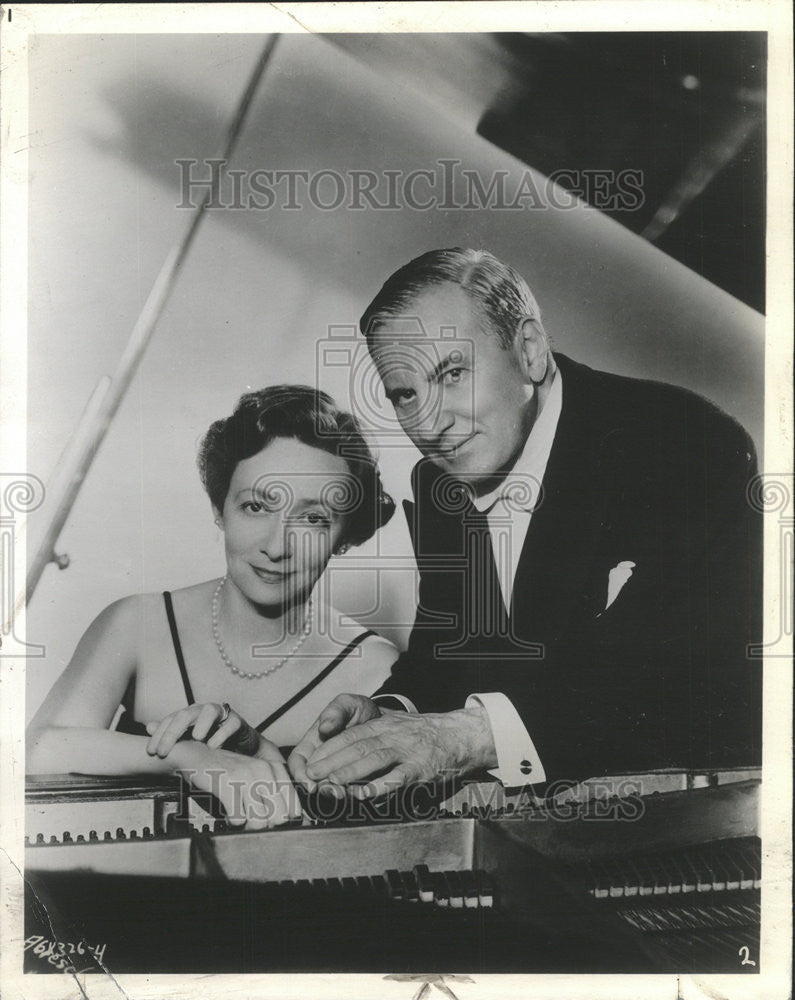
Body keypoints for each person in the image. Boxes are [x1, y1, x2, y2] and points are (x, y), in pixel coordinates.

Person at [289, 248, 762, 800]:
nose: (431, 422)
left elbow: (658, 679)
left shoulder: (682, 442)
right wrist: (391, 716)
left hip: (702, 819)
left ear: (530, 352)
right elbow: (447, 655)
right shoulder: (439, 484)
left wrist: (465, 737)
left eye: (453, 373)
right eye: (405, 394)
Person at [27, 385, 397, 827]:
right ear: (220, 508)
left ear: (344, 537)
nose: (277, 547)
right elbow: (33, 751)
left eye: (314, 519)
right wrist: (190, 758)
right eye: (256, 506)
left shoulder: (376, 668)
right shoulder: (137, 625)